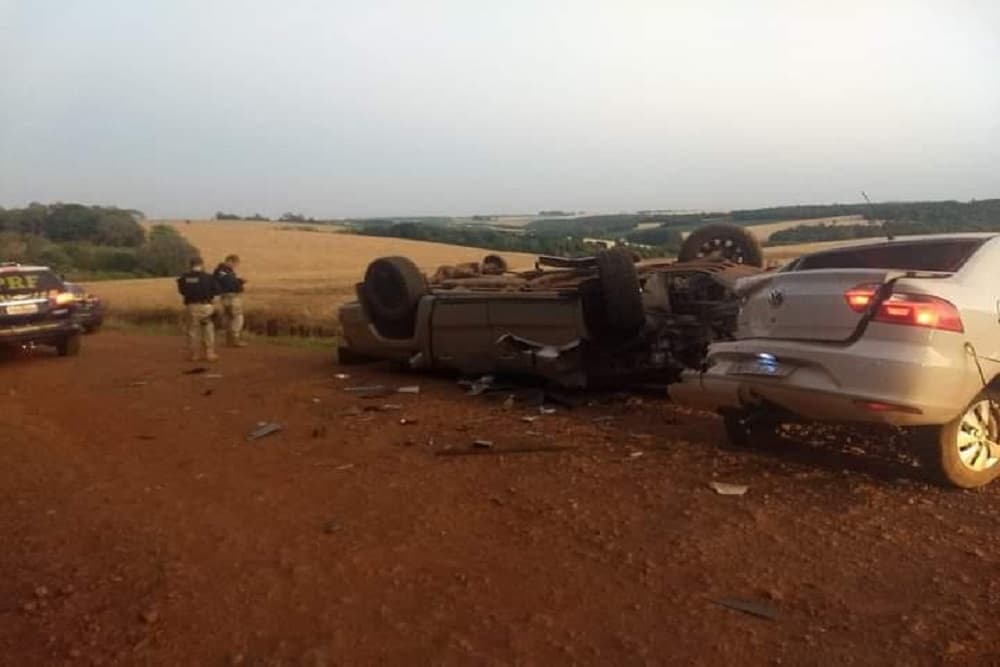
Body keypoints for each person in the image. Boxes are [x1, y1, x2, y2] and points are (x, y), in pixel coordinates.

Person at [176, 257, 220, 362]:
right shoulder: (209, 277)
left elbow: (182, 291)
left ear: (190, 265)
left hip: (191, 307)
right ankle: (209, 354)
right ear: (202, 264)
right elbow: (217, 293)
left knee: (192, 330)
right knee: (208, 330)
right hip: (206, 307)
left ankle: (194, 355)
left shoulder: (184, 278)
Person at [213, 254, 247, 347]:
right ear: (229, 261)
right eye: (235, 263)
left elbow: (229, 280)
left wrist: (237, 280)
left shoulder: (224, 271)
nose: (235, 266)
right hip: (231, 296)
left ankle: (229, 340)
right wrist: (240, 281)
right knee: (238, 317)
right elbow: (229, 282)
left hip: (226, 296)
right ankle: (234, 339)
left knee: (229, 317)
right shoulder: (222, 271)